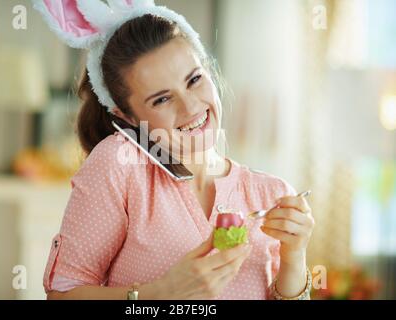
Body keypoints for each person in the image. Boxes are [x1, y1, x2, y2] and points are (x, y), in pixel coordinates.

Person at [34, 0, 315, 300]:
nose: (191, 106)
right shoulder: (119, 166)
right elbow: (62, 294)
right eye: (161, 100)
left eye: (194, 80)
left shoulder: (271, 194)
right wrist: (161, 292)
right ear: (127, 117)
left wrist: (294, 258)